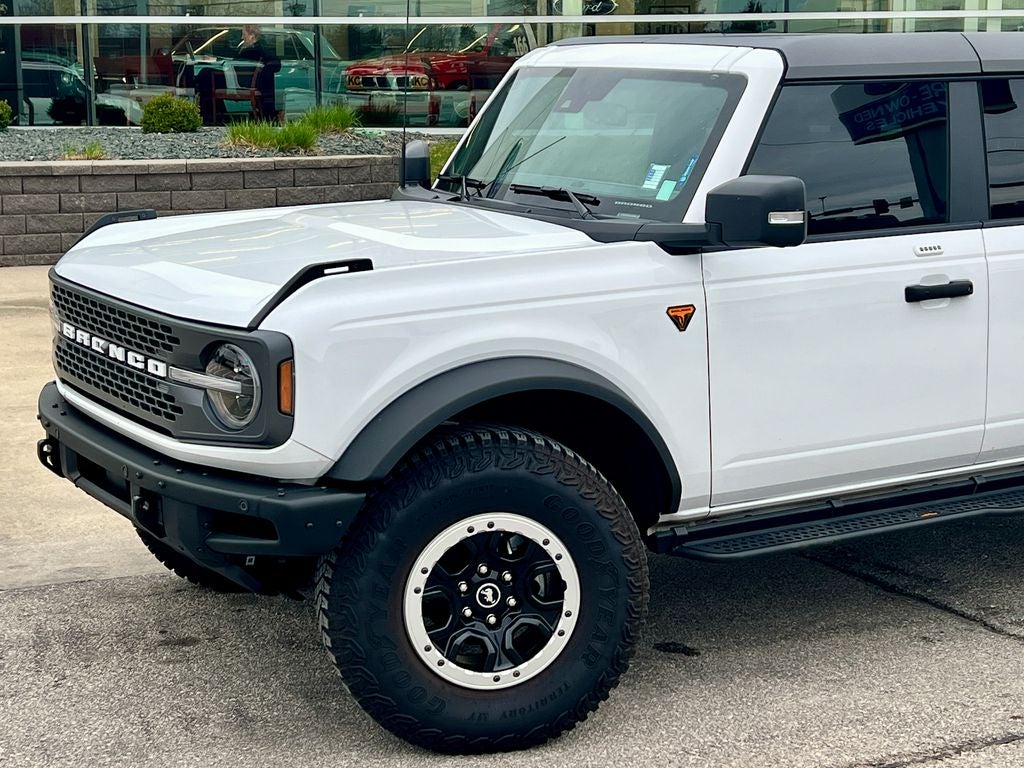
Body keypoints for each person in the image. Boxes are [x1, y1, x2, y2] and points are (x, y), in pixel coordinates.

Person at [235, 25, 281, 121]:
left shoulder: (254, 50)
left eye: (244, 34)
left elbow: (275, 63)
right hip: (240, 78)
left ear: (252, 35)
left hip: (243, 82)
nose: (242, 38)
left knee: (206, 74)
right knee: (206, 74)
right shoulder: (253, 48)